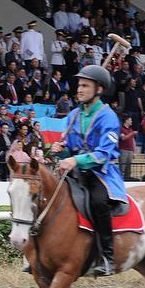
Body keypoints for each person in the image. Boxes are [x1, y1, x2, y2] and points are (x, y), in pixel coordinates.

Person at [49, 65, 126, 276]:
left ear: (99, 89)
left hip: (100, 174)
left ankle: (108, 258)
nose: (79, 90)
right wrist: (60, 150)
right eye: (78, 85)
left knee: (98, 202)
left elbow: (103, 154)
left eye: (85, 85)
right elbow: (70, 150)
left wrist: (75, 159)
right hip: (74, 172)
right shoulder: (73, 114)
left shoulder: (109, 117)